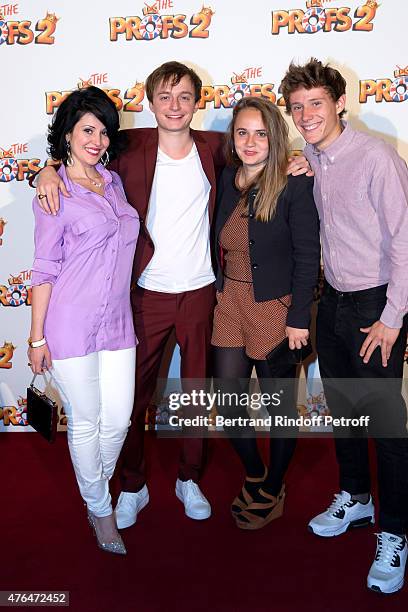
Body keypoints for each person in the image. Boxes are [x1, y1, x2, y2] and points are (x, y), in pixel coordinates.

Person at [34, 61, 311, 528]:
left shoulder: (214, 149)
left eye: (184, 96)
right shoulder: (129, 147)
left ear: (197, 101)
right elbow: (81, 157)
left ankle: (189, 477)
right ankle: (132, 484)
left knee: (199, 394)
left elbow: (260, 156)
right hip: (143, 296)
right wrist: (47, 169)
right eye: (165, 96)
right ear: (151, 103)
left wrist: (295, 159)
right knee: (134, 398)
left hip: (203, 293)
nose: (175, 105)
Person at [281, 58, 408, 594]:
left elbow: (405, 240)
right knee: (345, 412)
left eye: (315, 103)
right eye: (297, 107)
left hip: (375, 305)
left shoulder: (377, 156)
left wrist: (391, 317)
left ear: (338, 103)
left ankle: (396, 533)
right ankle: (356, 498)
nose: (306, 115)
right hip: (331, 302)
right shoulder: (311, 156)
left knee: (386, 426)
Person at [28, 86, 139, 555]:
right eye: (86, 129)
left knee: (118, 421)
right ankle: (99, 509)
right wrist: (35, 338)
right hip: (70, 324)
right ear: (68, 134)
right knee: (87, 423)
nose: (95, 139)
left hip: (117, 323)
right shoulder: (55, 193)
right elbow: (44, 269)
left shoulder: (113, 182)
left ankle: (97, 488)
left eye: (102, 131)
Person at [211, 96, 320, 529]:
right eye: (242, 132)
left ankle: (274, 486)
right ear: (232, 138)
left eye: (260, 133)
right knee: (228, 399)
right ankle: (255, 472)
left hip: (275, 308)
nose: (251, 142)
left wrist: (298, 317)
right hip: (230, 302)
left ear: (274, 137)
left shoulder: (293, 182)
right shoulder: (225, 178)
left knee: (279, 409)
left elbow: (308, 255)